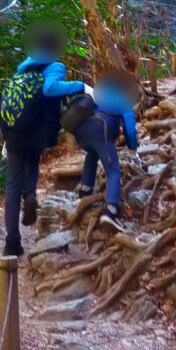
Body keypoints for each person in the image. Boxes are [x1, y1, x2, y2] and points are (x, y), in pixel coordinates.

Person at [0, 21, 92, 257]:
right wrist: (83, 86)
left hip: (15, 132)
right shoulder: (54, 66)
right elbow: (50, 89)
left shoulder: (22, 69)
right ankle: (30, 193)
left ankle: (12, 243)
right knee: (33, 161)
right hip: (37, 130)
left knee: (12, 184)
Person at [64, 69, 139, 232]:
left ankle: (85, 192)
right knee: (113, 171)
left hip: (82, 132)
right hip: (101, 130)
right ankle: (110, 210)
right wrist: (133, 150)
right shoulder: (123, 99)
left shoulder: (97, 92)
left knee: (92, 154)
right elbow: (130, 130)